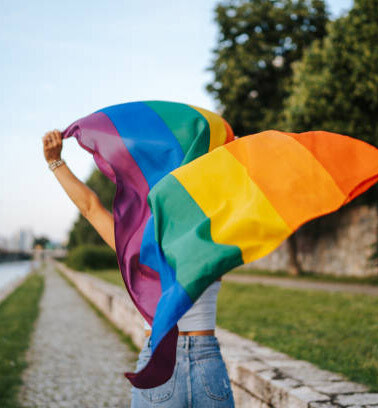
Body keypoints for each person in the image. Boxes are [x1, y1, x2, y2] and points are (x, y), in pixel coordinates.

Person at [42, 129, 236, 407]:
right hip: (209, 364)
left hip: (159, 363)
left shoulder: (140, 248)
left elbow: (91, 208)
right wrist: (234, 156)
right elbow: (236, 198)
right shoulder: (215, 238)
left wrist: (55, 162)